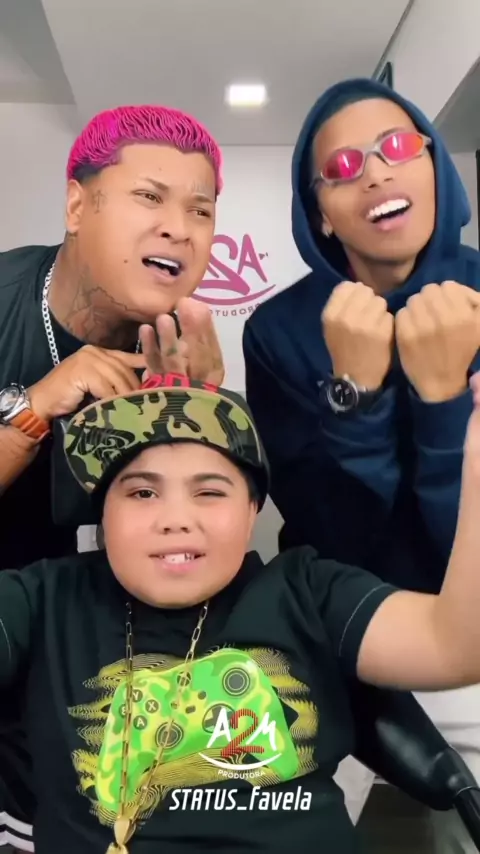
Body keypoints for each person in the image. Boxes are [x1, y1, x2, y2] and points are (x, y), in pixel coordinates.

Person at [1, 370, 480, 854]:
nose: (175, 519)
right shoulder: (43, 600)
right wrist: (21, 422)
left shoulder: (307, 593)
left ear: (252, 511)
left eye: (209, 492)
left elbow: (454, 646)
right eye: (142, 492)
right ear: (103, 512)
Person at [242, 77, 480, 851]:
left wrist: (443, 401)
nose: (375, 172)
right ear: (319, 211)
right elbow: (333, 537)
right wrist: (355, 394)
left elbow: (462, 545)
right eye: (342, 167)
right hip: (346, 630)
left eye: (398, 147)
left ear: (435, 166)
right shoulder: (280, 329)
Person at [0, 103, 224, 850]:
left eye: (200, 210)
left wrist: (200, 416)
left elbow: (184, 558)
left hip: (84, 682)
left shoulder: (179, 348)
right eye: (149, 196)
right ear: (76, 205)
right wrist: (34, 410)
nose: (179, 229)